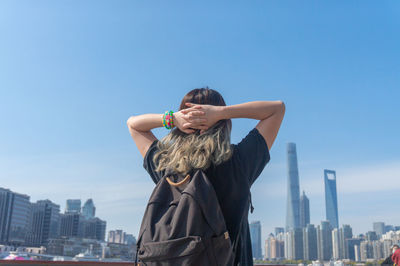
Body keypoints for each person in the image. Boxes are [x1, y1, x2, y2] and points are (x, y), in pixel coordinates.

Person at [127, 87, 285, 265]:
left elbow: (133, 125)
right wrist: (221, 112)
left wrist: (172, 118)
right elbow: (277, 109)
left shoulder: (168, 167)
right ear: (223, 123)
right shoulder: (239, 163)